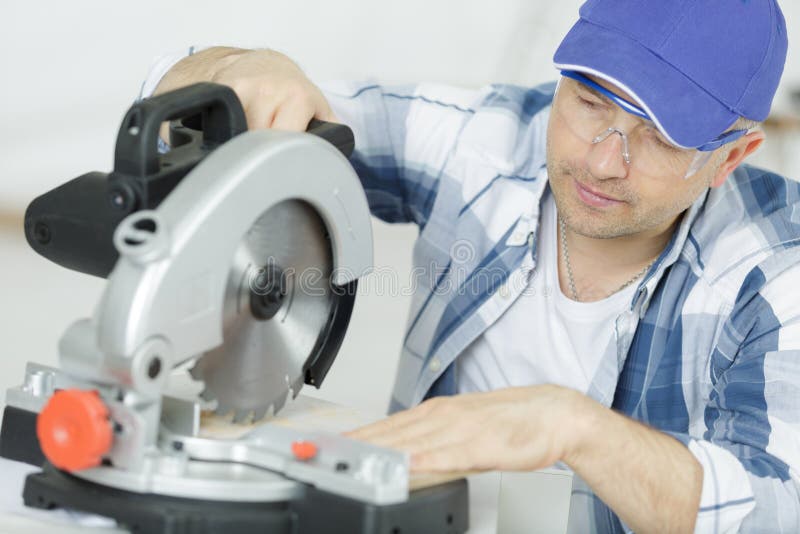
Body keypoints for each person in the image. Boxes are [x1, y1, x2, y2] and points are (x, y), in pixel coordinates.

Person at [140, 1, 796, 531]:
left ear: (731, 157)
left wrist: (572, 427)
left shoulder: (775, 273)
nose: (602, 161)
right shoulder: (484, 141)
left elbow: (775, 509)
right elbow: (194, 106)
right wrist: (243, 66)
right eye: (591, 103)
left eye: (658, 138)